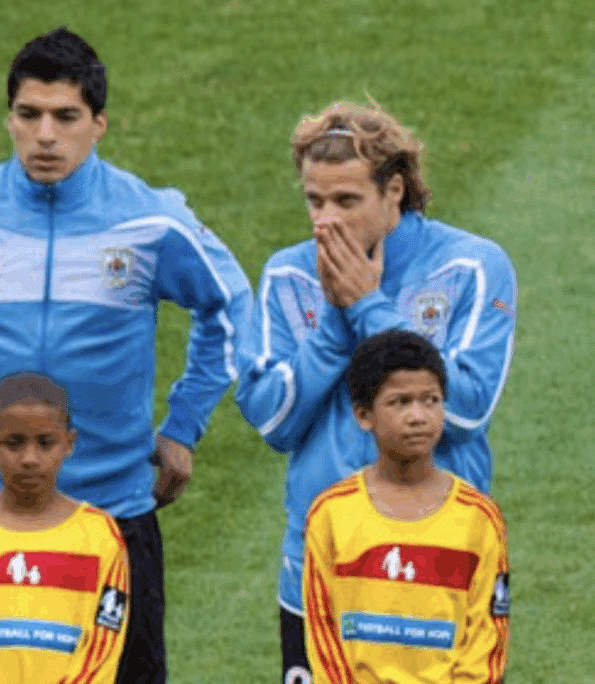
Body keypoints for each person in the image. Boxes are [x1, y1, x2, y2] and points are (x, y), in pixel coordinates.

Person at [0, 27, 251, 684]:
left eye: (66, 117)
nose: (46, 135)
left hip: (114, 512)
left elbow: (231, 305)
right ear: (8, 119)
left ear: (99, 123)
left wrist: (184, 424)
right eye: (29, 115)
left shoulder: (150, 222)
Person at [233, 101, 516, 683]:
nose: (324, 222)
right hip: (324, 568)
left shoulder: (472, 267)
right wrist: (338, 326)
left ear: (394, 191)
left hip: (441, 564)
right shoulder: (289, 275)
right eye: (314, 201)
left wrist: (368, 305)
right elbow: (271, 421)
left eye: (346, 201)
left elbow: (466, 409)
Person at [304, 330, 509, 683]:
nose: (418, 416)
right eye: (400, 402)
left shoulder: (479, 518)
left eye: (430, 400)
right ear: (364, 415)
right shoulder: (331, 514)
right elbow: (323, 631)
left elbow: (488, 640)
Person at [0, 372, 130, 684]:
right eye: (14, 443)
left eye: (45, 443)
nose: (30, 459)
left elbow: (104, 646)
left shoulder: (100, 535)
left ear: (69, 444)